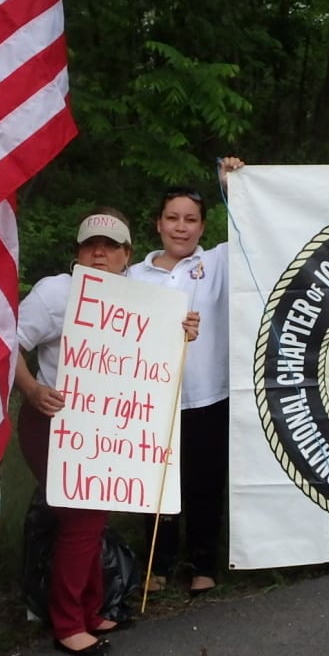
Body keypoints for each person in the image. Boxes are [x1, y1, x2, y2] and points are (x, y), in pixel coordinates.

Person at [14, 209, 198, 656]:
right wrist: (33, 389)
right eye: (90, 244)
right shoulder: (55, 292)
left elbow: (154, 365)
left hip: (110, 426)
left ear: (127, 254)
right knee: (82, 518)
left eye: (111, 246)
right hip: (54, 420)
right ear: (77, 252)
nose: (100, 252)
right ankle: (68, 624)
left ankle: (91, 608)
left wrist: (182, 334)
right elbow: (7, 343)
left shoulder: (141, 299)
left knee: (94, 520)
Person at [128, 157, 243, 595]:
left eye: (191, 219)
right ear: (158, 223)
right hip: (151, 400)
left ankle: (203, 563)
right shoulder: (134, 274)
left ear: (202, 226)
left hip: (208, 395)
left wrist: (232, 186)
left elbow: (255, 232)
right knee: (156, 485)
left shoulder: (217, 263)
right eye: (173, 218)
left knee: (205, 483)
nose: (181, 227)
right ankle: (156, 564)